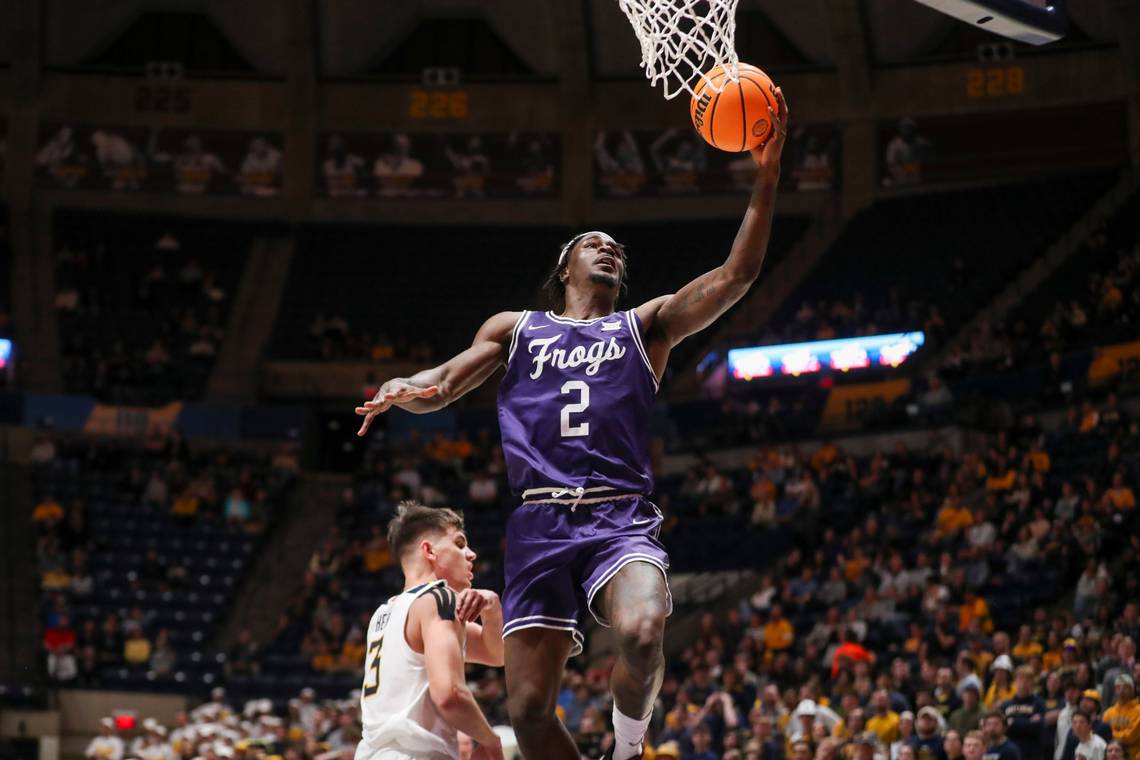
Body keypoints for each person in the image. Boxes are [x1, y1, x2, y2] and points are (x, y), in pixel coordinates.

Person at [354, 90, 790, 760]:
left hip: (618, 516)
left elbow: (738, 275)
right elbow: (441, 383)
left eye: (618, 247)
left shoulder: (643, 326)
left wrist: (765, 174)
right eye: (595, 243)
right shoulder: (516, 330)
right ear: (566, 268)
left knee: (644, 631)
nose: (610, 250)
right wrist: (397, 389)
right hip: (539, 525)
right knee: (527, 713)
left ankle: (627, 747)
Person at [354, 502, 504, 760]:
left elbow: (496, 655)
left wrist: (491, 607)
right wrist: (490, 740)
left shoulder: (385, 613)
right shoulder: (438, 598)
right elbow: (449, 694)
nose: (471, 554)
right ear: (429, 550)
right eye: (459, 544)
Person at [1001, 666, 1045, 760]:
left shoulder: (1039, 703)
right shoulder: (1005, 705)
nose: (1024, 682)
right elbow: (1003, 729)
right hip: (1010, 752)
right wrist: (1028, 721)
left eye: (1028, 679)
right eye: (1020, 678)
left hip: (1032, 752)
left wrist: (1013, 722)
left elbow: (1037, 727)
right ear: (1014, 682)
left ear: (1033, 683)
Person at [1102, 675, 1140, 760]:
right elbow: (1104, 735)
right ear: (1115, 690)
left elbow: (1130, 737)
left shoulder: (1138, 711)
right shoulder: (1108, 713)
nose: (1121, 690)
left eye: (1125, 687)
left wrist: (1112, 734)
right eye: (1118, 687)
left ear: (1132, 690)